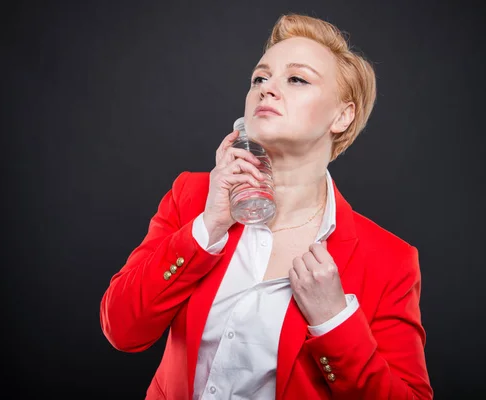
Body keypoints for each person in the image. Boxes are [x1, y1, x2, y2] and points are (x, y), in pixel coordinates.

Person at [100, 13, 433, 400]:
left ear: (342, 116)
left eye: (297, 79)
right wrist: (207, 228)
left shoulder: (390, 260)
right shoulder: (192, 196)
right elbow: (122, 331)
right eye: (260, 78)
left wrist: (334, 321)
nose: (267, 90)